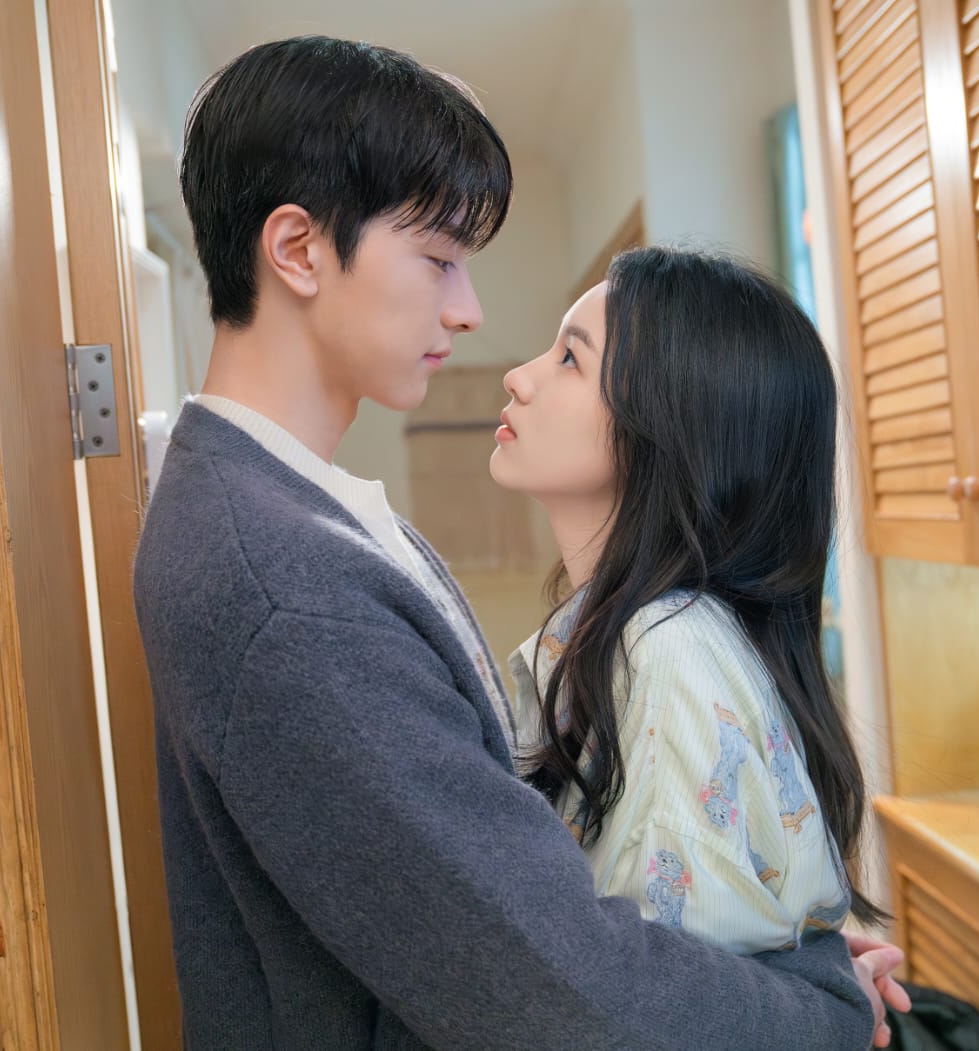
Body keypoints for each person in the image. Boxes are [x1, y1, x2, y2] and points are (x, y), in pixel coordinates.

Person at [133, 35, 906, 1049]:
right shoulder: (280, 583)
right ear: (299, 250)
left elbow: (513, 898)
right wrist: (814, 1005)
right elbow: (556, 992)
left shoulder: (295, 516)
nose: (470, 313)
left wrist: (758, 964)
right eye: (439, 261)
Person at [492, 244, 886, 971]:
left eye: (570, 359)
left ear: (670, 427)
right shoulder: (635, 634)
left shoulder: (664, 648)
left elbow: (668, 998)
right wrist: (815, 979)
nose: (519, 377)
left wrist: (819, 988)